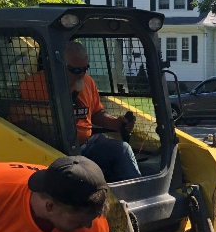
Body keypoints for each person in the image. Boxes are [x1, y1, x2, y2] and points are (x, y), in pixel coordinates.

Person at [20, 41, 141, 183]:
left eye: (85, 69)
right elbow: (21, 122)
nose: (81, 75)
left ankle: (137, 193)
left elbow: (96, 113)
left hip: (87, 144)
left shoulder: (88, 82)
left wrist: (115, 123)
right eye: (76, 70)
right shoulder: (32, 86)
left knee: (122, 149)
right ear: (58, 66)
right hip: (54, 148)